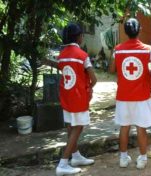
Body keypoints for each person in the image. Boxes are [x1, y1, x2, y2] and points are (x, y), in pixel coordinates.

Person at [109, 18, 151, 169]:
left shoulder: (117, 49)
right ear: (140, 30)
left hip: (123, 96)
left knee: (124, 127)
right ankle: (143, 159)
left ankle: (123, 158)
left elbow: (112, 70)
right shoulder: (148, 49)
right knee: (141, 128)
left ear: (125, 31)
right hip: (141, 96)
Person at [53, 23, 97, 176]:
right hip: (78, 96)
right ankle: (63, 163)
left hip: (66, 95)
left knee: (71, 126)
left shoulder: (62, 54)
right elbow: (94, 78)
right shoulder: (82, 55)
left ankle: (76, 156)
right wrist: (90, 87)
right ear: (79, 37)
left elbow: (63, 69)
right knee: (78, 127)